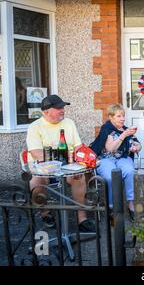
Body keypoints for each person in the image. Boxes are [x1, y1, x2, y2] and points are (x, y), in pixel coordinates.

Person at [26, 94, 96, 232]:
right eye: (58, 108)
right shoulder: (35, 127)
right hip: (44, 167)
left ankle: (82, 218)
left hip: (68, 165)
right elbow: (36, 153)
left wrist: (84, 157)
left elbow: (78, 146)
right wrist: (57, 160)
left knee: (79, 177)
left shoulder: (69, 123)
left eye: (63, 107)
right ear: (46, 111)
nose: (63, 110)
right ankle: (45, 213)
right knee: (36, 183)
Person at [90, 104, 141, 222]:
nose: (122, 118)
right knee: (111, 176)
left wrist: (136, 147)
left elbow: (138, 144)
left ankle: (131, 204)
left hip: (123, 158)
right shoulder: (106, 129)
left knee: (130, 172)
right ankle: (112, 206)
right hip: (105, 159)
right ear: (111, 117)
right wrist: (124, 135)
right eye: (119, 116)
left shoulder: (126, 129)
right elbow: (110, 148)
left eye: (123, 115)